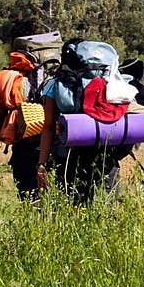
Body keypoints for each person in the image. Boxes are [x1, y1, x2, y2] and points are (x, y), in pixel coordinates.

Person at [35, 43, 124, 204]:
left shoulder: (55, 84)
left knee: (68, 210)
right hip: (105, 160)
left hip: (66, 159)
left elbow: (48, 127)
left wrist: (42, 164)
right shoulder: (115, 83)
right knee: (105, 211)